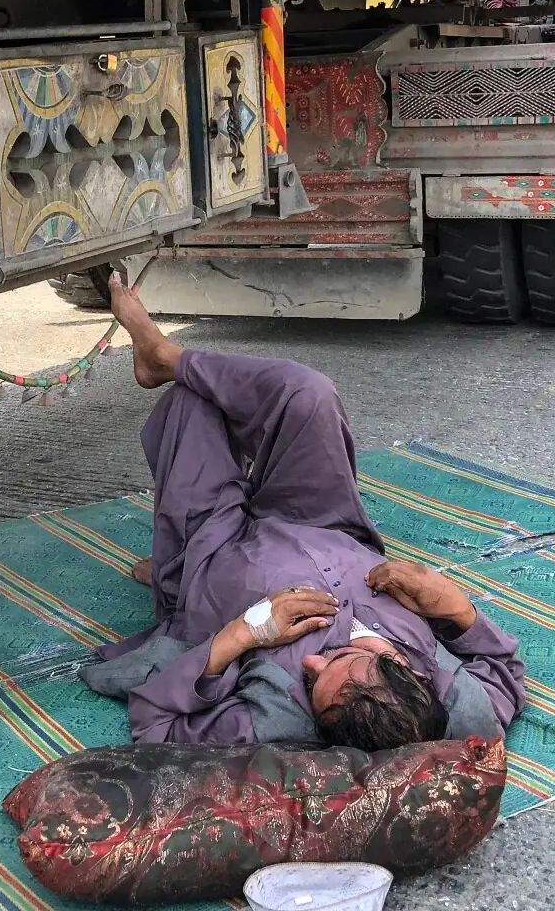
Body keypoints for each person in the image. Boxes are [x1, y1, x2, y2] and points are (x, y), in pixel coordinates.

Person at [79, 275, 526, 751]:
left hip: (214, 553)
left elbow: (157, 725)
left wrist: (241, 635)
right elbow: (507, 671)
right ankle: (165, 358)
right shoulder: (458, 705)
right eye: (345, 658)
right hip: (324, 522)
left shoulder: (278, 722)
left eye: (313, 686)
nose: (313, 666)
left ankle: (175, 567)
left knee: (192, 404)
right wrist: (457, 609)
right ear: (410, 668)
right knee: (307, 393)